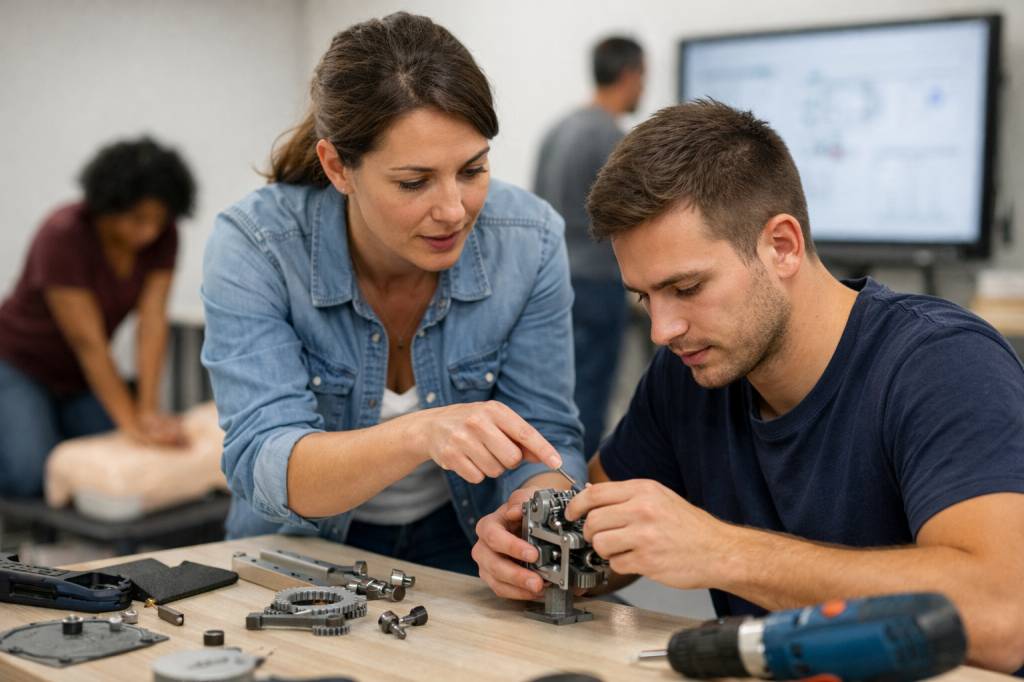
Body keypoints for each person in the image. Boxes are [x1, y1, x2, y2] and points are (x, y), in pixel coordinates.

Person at [471, 100, 1024, 671]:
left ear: (781, 246)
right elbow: (608, 534)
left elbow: (1004, 617)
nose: (663, 330)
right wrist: (536, 553)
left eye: (686, 288)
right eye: (645, 297)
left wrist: (722, 551)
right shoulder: (688, 373)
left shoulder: (944, 365)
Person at [200, 12, 584, 575]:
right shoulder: (257, 245)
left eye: (473, 169)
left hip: (461, 536)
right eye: (414, 182)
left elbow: (545, 435)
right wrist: (421, 434)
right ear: (338, 168)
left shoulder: (530, 240)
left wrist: (531, 518)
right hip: (299, 549)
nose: (454, 210)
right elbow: (264, 459)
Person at [0, 137, 195, 498]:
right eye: (137, 219)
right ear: (107, 206)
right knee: (29, 473)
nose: (148, 231)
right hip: (16, 363)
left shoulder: (163, 238)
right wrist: (130, 423)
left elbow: (152, 323)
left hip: (76, 376)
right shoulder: (62, 234)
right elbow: (88, 343)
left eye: (158, 220)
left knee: (118, 449)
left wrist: (147, 412)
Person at [534, 36, 644, 459]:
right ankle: (581, 500)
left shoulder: (557, 130)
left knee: (559, 397)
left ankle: (552, 485)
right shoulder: (612, 139)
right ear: (631, 75)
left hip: (556, 283)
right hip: (598, 287)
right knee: (592, 399)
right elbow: (634, 220)